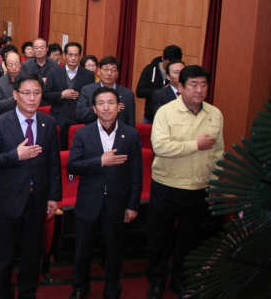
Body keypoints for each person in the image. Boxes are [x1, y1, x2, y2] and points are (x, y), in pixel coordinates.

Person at [146, 65, 223, 299]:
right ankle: (157, 281)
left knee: (188, 240)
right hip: (167, 185)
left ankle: (179, 280)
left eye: (203, 84)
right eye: (193, 84)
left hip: (199, 187)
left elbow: (219, 152)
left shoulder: (215, 114)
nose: (199, 90)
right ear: (181, 87)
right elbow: (160, 147)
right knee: (160, 238)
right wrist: (194, 145)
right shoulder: (166, 112)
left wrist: (216, 182)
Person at [0, 71, 61, 299]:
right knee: (5, 256)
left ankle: (28, 294)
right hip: (10, 199)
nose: (32, 98)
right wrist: (15, 155)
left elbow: (54, 163)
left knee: (32, 254)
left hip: (38, 200)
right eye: (26, 93)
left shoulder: (48, 122)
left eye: (37, 93)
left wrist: (54, 196)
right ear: (15, 94)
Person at [66, 87, 142, 299]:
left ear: (119, 107)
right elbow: (72, 165)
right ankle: (80, 288)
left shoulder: (131, 134)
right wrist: (100, 161)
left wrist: (133, 204)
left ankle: (112, 288)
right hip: (89, 201)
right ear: (94, 108)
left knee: (114, 251)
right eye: (101, 103)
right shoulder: (82, 133)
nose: (106, 107)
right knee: (82, 251)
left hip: (118, 202)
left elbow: (136, 173)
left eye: (111, 103)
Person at [42, 43, 96, 150]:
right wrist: (61, 95)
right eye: (70, 54)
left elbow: (91, 98)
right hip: (58, 118)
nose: (73, 58)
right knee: (57, 151)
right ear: (65, 55)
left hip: (78, 119)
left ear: (80, 56)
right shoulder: (54, 72)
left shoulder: (88, 75)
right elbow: (46, 94)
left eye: (76, 55)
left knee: (77, 150)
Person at [76, 56, 136, 128]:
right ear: (98, 71)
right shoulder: (87, 90)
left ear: (117, 74)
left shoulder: (128, 94)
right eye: (105, 69)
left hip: (118, 136)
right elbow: (80, 115)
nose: (109, 73)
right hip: (93, 134)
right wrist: (100, 109)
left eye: (113, 70)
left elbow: (131, 124)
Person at [136, 45, 183, 124]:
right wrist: (162, 91)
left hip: (174, 120)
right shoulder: (150, 69)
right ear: (163, 58)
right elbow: (139, 92)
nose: (169, 67)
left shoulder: (182, 75)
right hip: (150, 119)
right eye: (167, 63)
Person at [0, 50, 23, 115]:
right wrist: (16, 98)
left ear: (21, 64)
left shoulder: (28, 80)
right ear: (5, 66)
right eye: (10, 65)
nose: (14, 68)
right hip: (6, 119)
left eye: (17, 64)